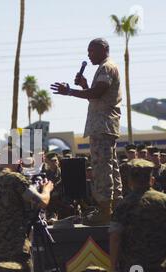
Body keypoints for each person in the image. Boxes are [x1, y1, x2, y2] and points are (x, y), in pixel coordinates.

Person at [51, 37, 123, 225]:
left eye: (92, 51)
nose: (89, 55)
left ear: (103, 50)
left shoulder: (107, 67)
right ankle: (115, 206)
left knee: (101, 168)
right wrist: (84, 85)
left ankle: (106, 210)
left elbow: (97, 93)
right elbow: (96, 96)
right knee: (110, 166)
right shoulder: (105, 68)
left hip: (103, 126)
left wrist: (70, 91)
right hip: (105, 125)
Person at [109, 159, 166, 272]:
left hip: (135, 268)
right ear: (152, 179)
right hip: (163, 266)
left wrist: (113, 267)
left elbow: (115, 237)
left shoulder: (123, 206)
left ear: (130, 180)